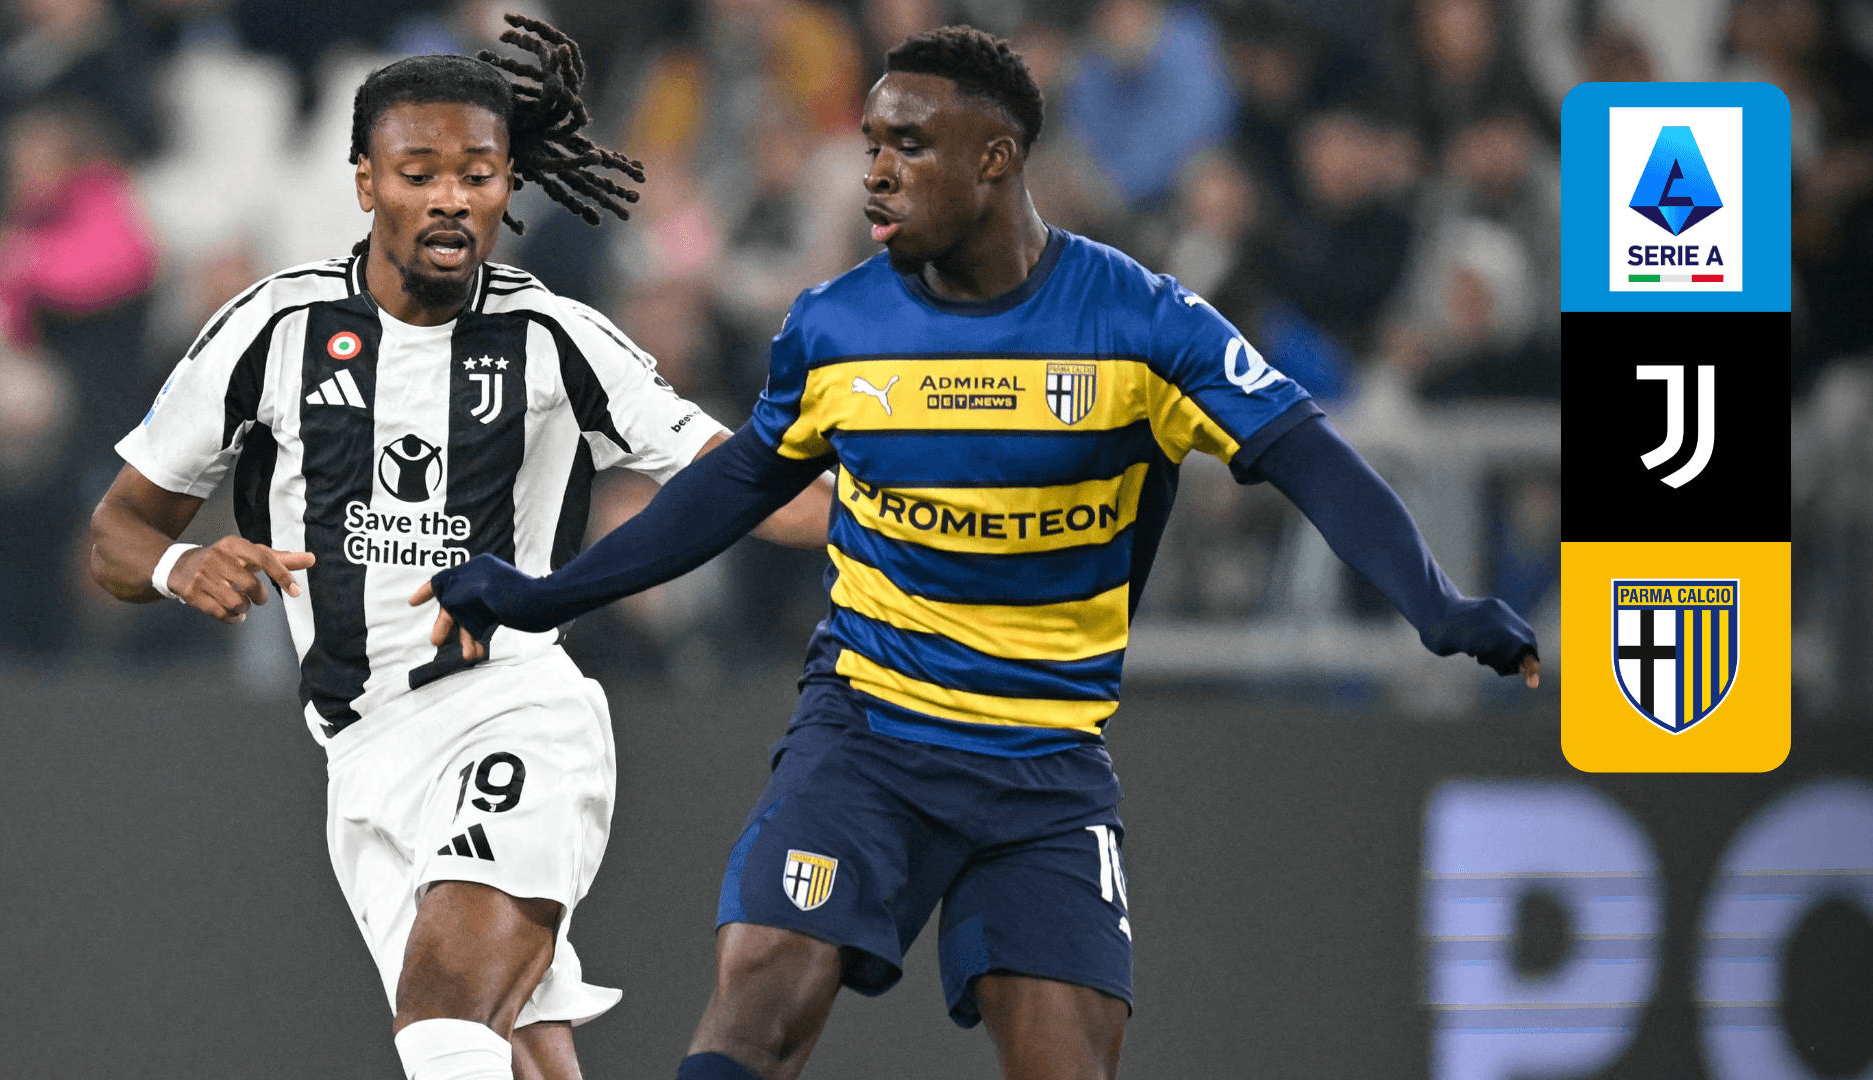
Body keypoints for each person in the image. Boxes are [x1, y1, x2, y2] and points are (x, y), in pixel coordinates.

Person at [419, 26, 1540, 1080]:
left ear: (996, 159)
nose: (874, 172)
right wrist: (551, 593)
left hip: (1045, 767)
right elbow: (735, 486)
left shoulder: (1142, 325)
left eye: (908, 145)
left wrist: (1437, 605)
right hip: (867, 736)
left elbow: (1310, 457)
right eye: (871, 144)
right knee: (760, 1001)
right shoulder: (836, 327)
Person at [86, 16, 830, 1080]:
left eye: (477, 175)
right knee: (517, 1051)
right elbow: (116, 534)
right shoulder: (272, 331)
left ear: (506, 185)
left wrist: (921, 506)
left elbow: (758, 488)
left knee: (444, 1027)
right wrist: (178, 566)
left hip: (512, 712)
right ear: (364, 183)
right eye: (419, 173)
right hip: (358, 753)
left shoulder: (556, 339)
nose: (451, 198)